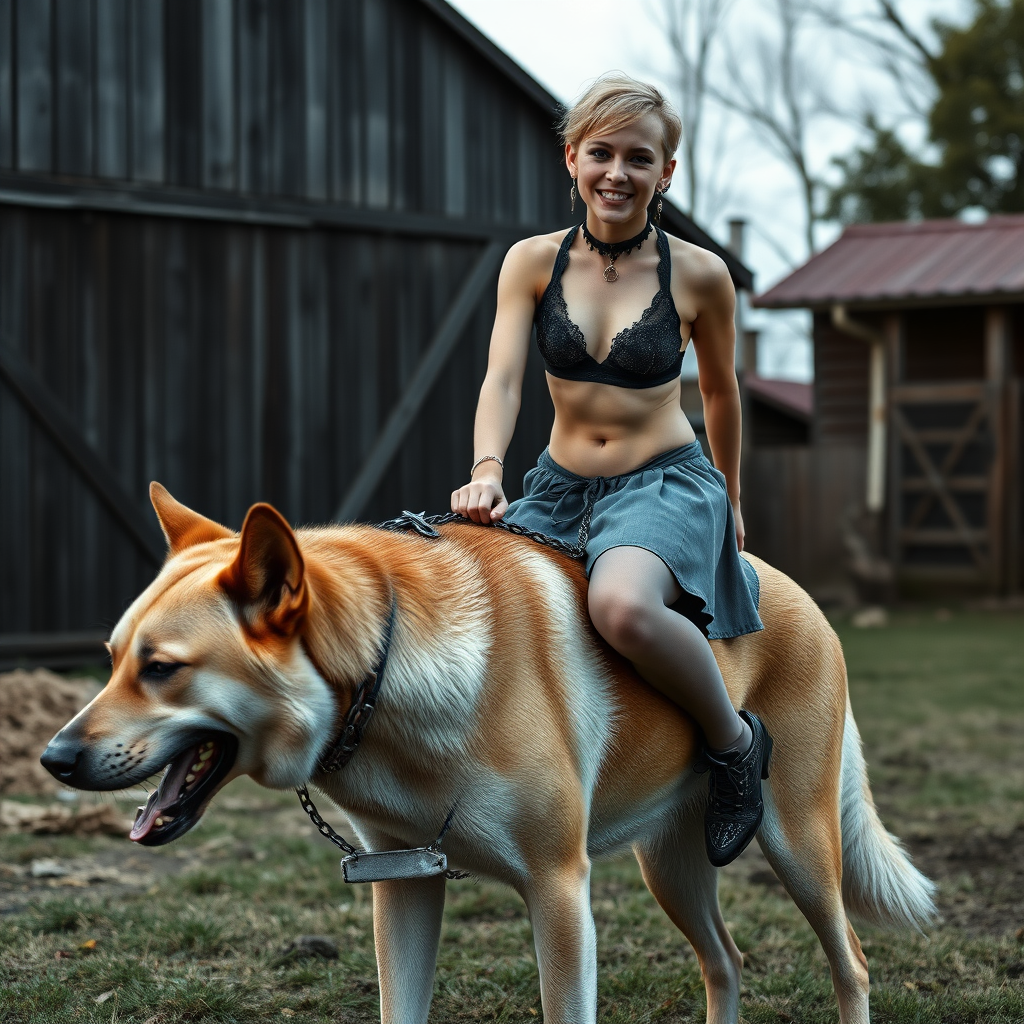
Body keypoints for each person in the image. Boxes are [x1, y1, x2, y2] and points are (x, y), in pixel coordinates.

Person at [450, 73, 771, 868]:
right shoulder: (530, 262)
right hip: (555, 489)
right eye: (601, 153)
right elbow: (501, 379)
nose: (617, 173)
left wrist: (730, 495)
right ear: (572, 159)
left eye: (639, 157)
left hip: (659, 482)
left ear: (666, 173)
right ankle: (480, 781)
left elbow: (723, 394)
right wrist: (488, 468)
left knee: (622, 609)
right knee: (472, 600)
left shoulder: (699, 275)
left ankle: (734, 746)